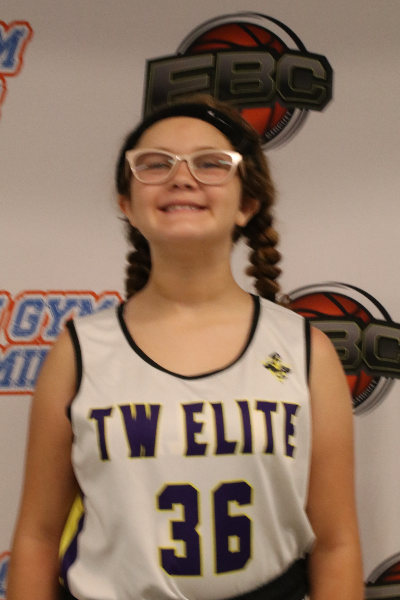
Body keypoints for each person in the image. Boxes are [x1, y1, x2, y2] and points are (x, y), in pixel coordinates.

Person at [7, 95, 363, 600]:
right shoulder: (79, 351)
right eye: (155, 164)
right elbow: (38, 538)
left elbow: (336, 543)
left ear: (247, 204)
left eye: (210, 163)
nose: (182, 177)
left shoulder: (305, 350)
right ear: (127, 205)